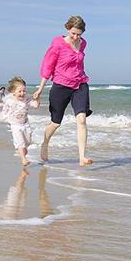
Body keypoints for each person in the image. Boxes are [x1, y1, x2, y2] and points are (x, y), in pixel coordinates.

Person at [32, 15, 93, 166]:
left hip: (80, 84)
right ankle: (45, 143)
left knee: (81, 119)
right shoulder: (57, 44)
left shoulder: (83, 43)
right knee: (55, 122)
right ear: (67, 29)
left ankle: (82, 157)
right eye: (73, 33)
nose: (76, 37)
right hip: (61, 85)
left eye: (79, 34)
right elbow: (48, 65)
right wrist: (40, 88)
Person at [1, 76, 40, 167]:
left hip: (25, 124)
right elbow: (4, 112)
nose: (22, 93)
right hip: (15, 125)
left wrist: (37, 98)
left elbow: (35, 105)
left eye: (24, 91)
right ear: (13, 92)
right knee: (20, 142)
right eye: (20, 91)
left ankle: (23, 152)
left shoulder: (26, 100)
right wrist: (7, 119)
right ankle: (23, 159)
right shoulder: (9, 102)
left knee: (28, 141)